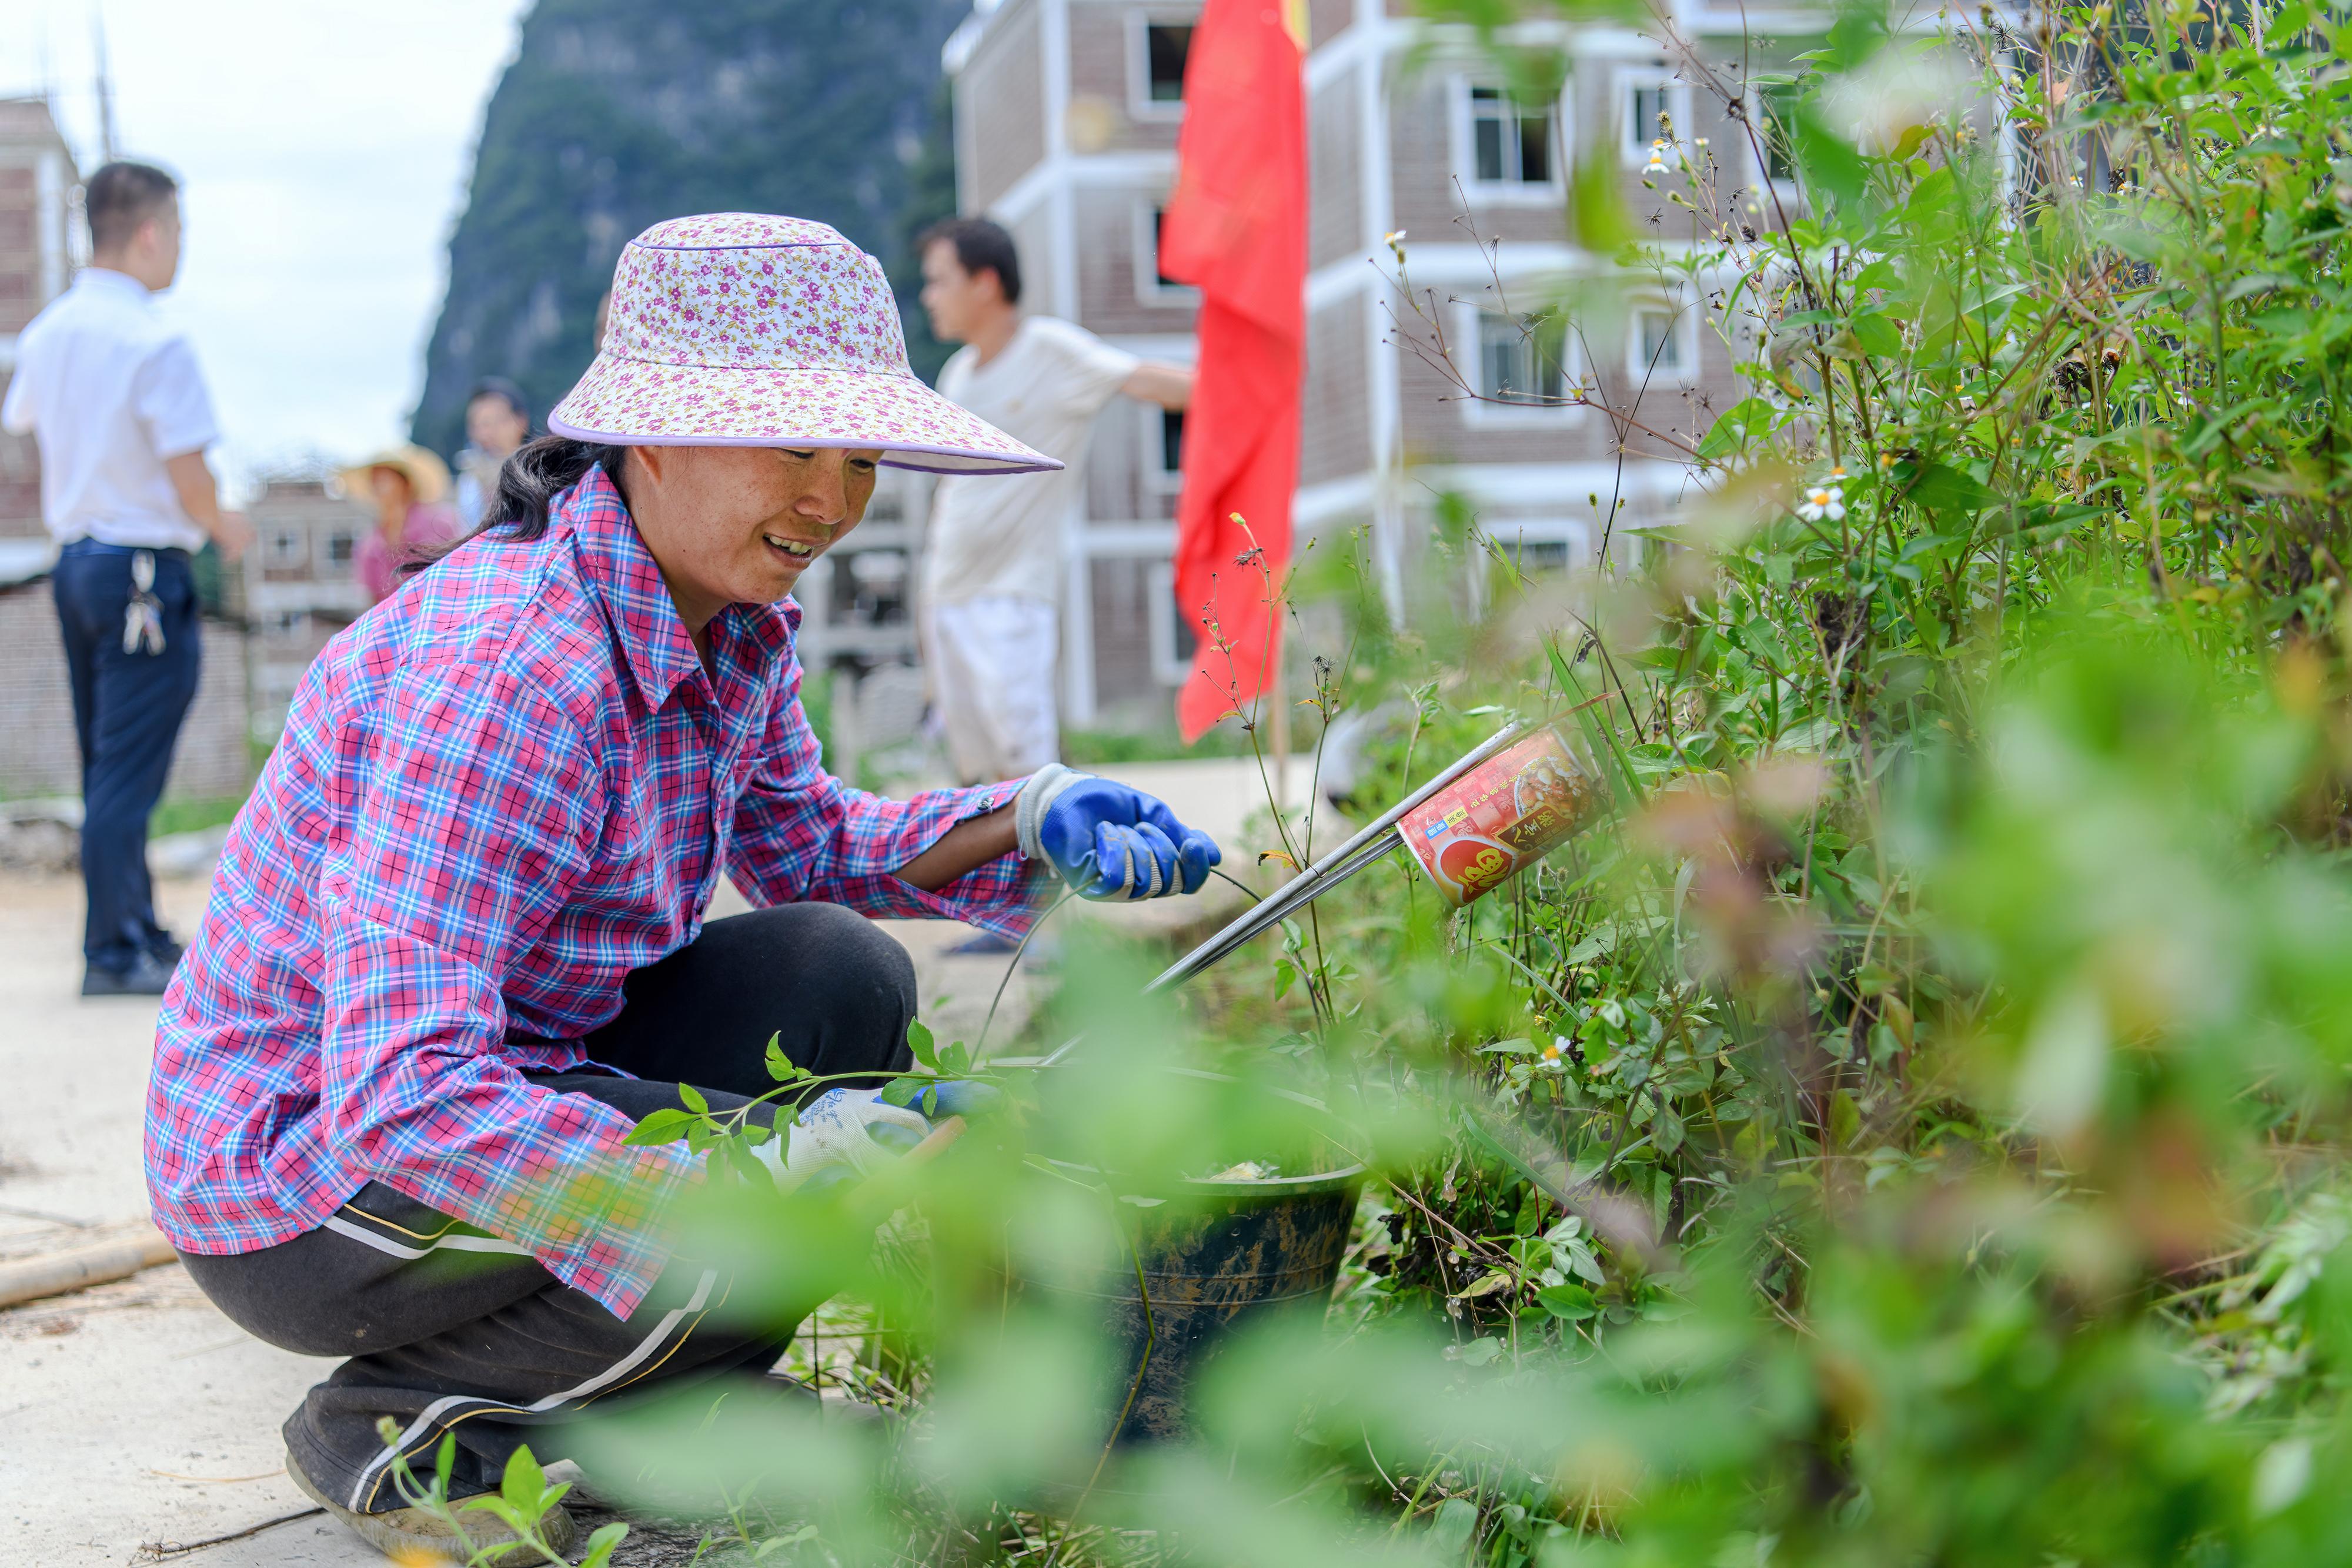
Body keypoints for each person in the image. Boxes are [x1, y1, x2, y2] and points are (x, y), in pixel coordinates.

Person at [145, 213, 1222, 1564]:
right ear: (649, 436)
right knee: (750, 1196)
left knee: (838, 982)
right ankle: (412, 1438)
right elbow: (405, 1095)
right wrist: (750, 1167)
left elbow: (808, 844)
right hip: (312, 1169)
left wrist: (1028, 810)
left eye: (861, 458)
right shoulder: (512, 677)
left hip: (516, 1061)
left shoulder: (724, 626)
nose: (831, 502)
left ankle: (647, 1397)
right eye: (792, 447)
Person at [0, 160, 253, 997]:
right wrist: (226, 526)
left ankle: (134, 924)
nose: (179, 247)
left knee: (104, 761)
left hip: (77, 561)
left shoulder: (47, 333)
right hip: (145, 565)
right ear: (149, 232)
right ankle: (112, 951)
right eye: (177, 229)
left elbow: (25, 422)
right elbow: (189, 473)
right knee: (126, 770)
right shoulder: (154, 338)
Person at [916, 216, 1194, 786]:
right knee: (974, 772)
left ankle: (1050, 874)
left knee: (1027, 764)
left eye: (940, 280)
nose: (929, 297)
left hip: (1012, 593)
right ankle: (997, 879)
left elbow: (1146, 381)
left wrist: (1250, 386)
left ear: (985, 283)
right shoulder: (958, 375)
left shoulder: (1049, 350)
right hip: (948, 591)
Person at [340, 444, 463, 606]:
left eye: (384, 480)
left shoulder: (437, 523)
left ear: (406, 484)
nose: (378, 487)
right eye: (374, 481)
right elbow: (371, 599)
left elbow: (452, 577)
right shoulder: (369, 542)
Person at [452, 377, 532, 530]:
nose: (484, 434)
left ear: (521, 421)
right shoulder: (470, 479)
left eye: (494, 422)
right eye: (477, 425)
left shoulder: (540, 470)